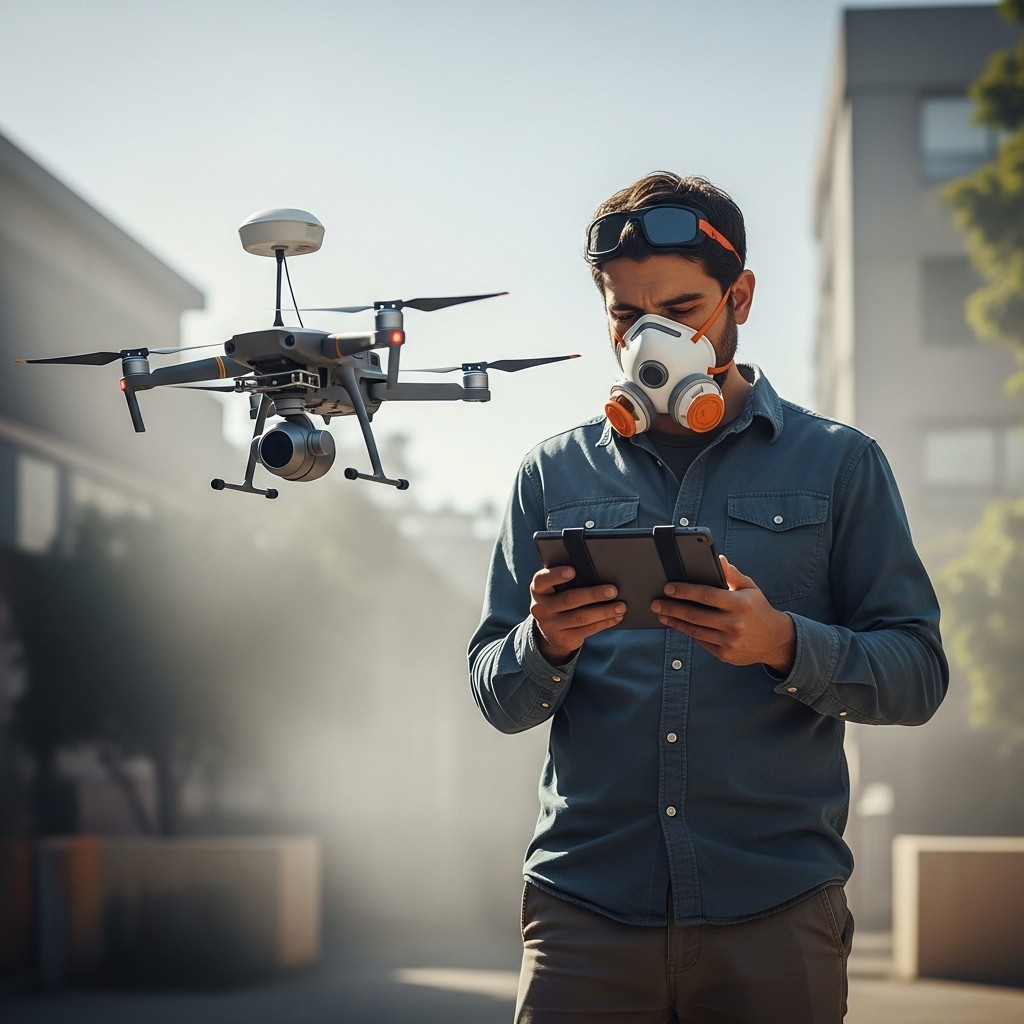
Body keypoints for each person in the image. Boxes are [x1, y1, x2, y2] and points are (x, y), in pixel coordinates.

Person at [468, 171, 949, 1024]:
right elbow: (496, 696)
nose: (651, 338)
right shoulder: (552, 472)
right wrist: (543, 645)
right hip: (585, 910)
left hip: (774, 908)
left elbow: (917, 674)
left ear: (742, 297)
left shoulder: (839, 465)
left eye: (683, 310)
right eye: (625, 316)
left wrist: (784, 644)